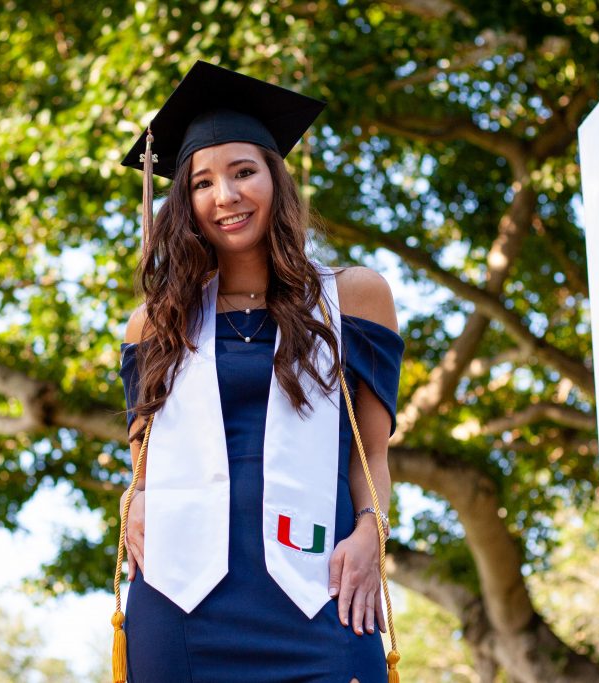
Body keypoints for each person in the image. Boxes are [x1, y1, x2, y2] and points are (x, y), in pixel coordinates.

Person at [114, 61, 405, 683]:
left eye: (244, 172)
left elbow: (370, 456)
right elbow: (144, 459)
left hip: (319, 586)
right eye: (202, 182)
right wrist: (136, 499)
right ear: (183, 203)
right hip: (181, 598)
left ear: (275, 179)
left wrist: (370, 532)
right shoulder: (157, 322)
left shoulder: (352, 296)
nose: (226, 196)